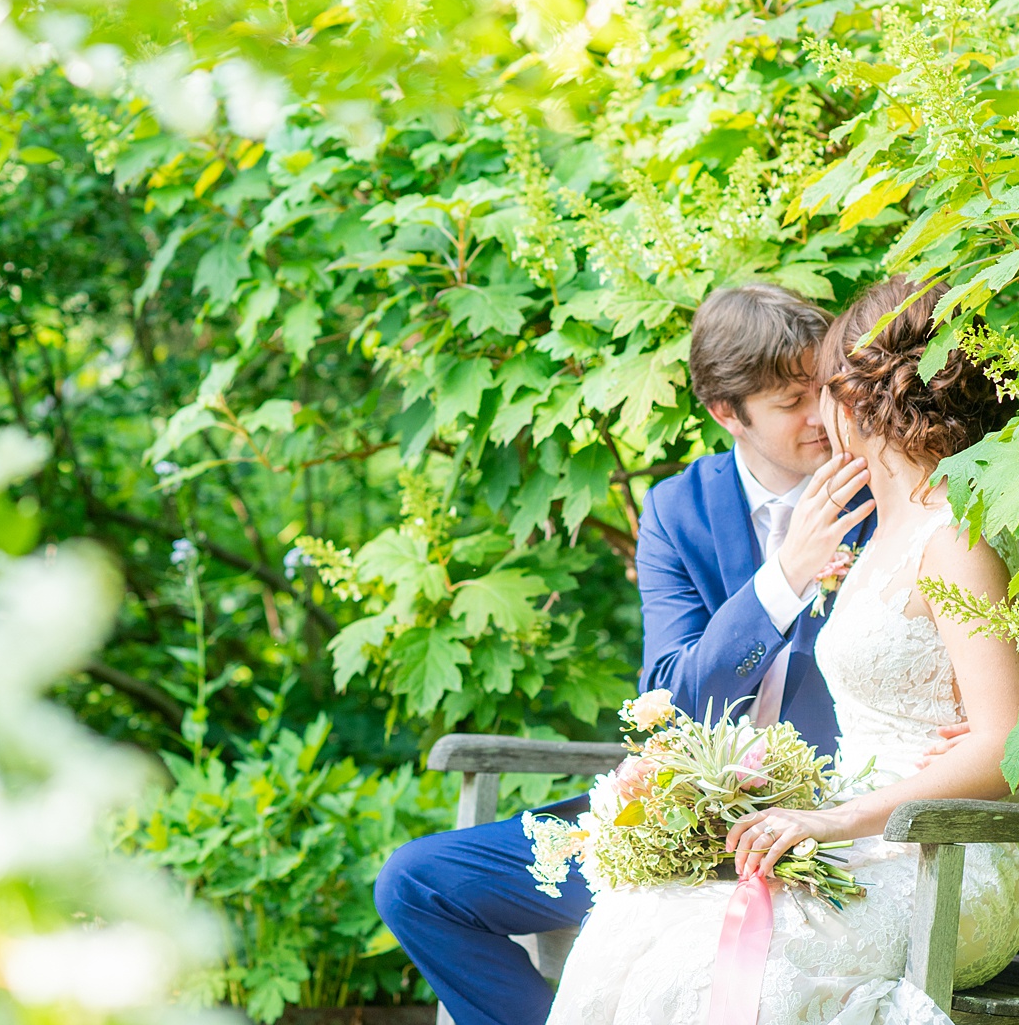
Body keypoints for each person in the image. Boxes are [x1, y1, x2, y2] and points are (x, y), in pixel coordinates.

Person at [374, 284, 885, 1025]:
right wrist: (783, 579)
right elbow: (673, 697)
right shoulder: (678, 510)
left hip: (816, 833)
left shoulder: (877, 487)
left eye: (822, 389)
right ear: (725, 413)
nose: (820, 416)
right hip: (672, 820)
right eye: (789, 401)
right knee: (416, 883)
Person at [544, 276, 1019, 1025]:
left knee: (708, 960)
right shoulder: (879, 529)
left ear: (859, 397)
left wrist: (834, 821)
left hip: (949, 858)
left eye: (828, 385)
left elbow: (1015, 745)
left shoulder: (955, 540)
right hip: (865, 839)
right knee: (633, 921)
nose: (819, 409)